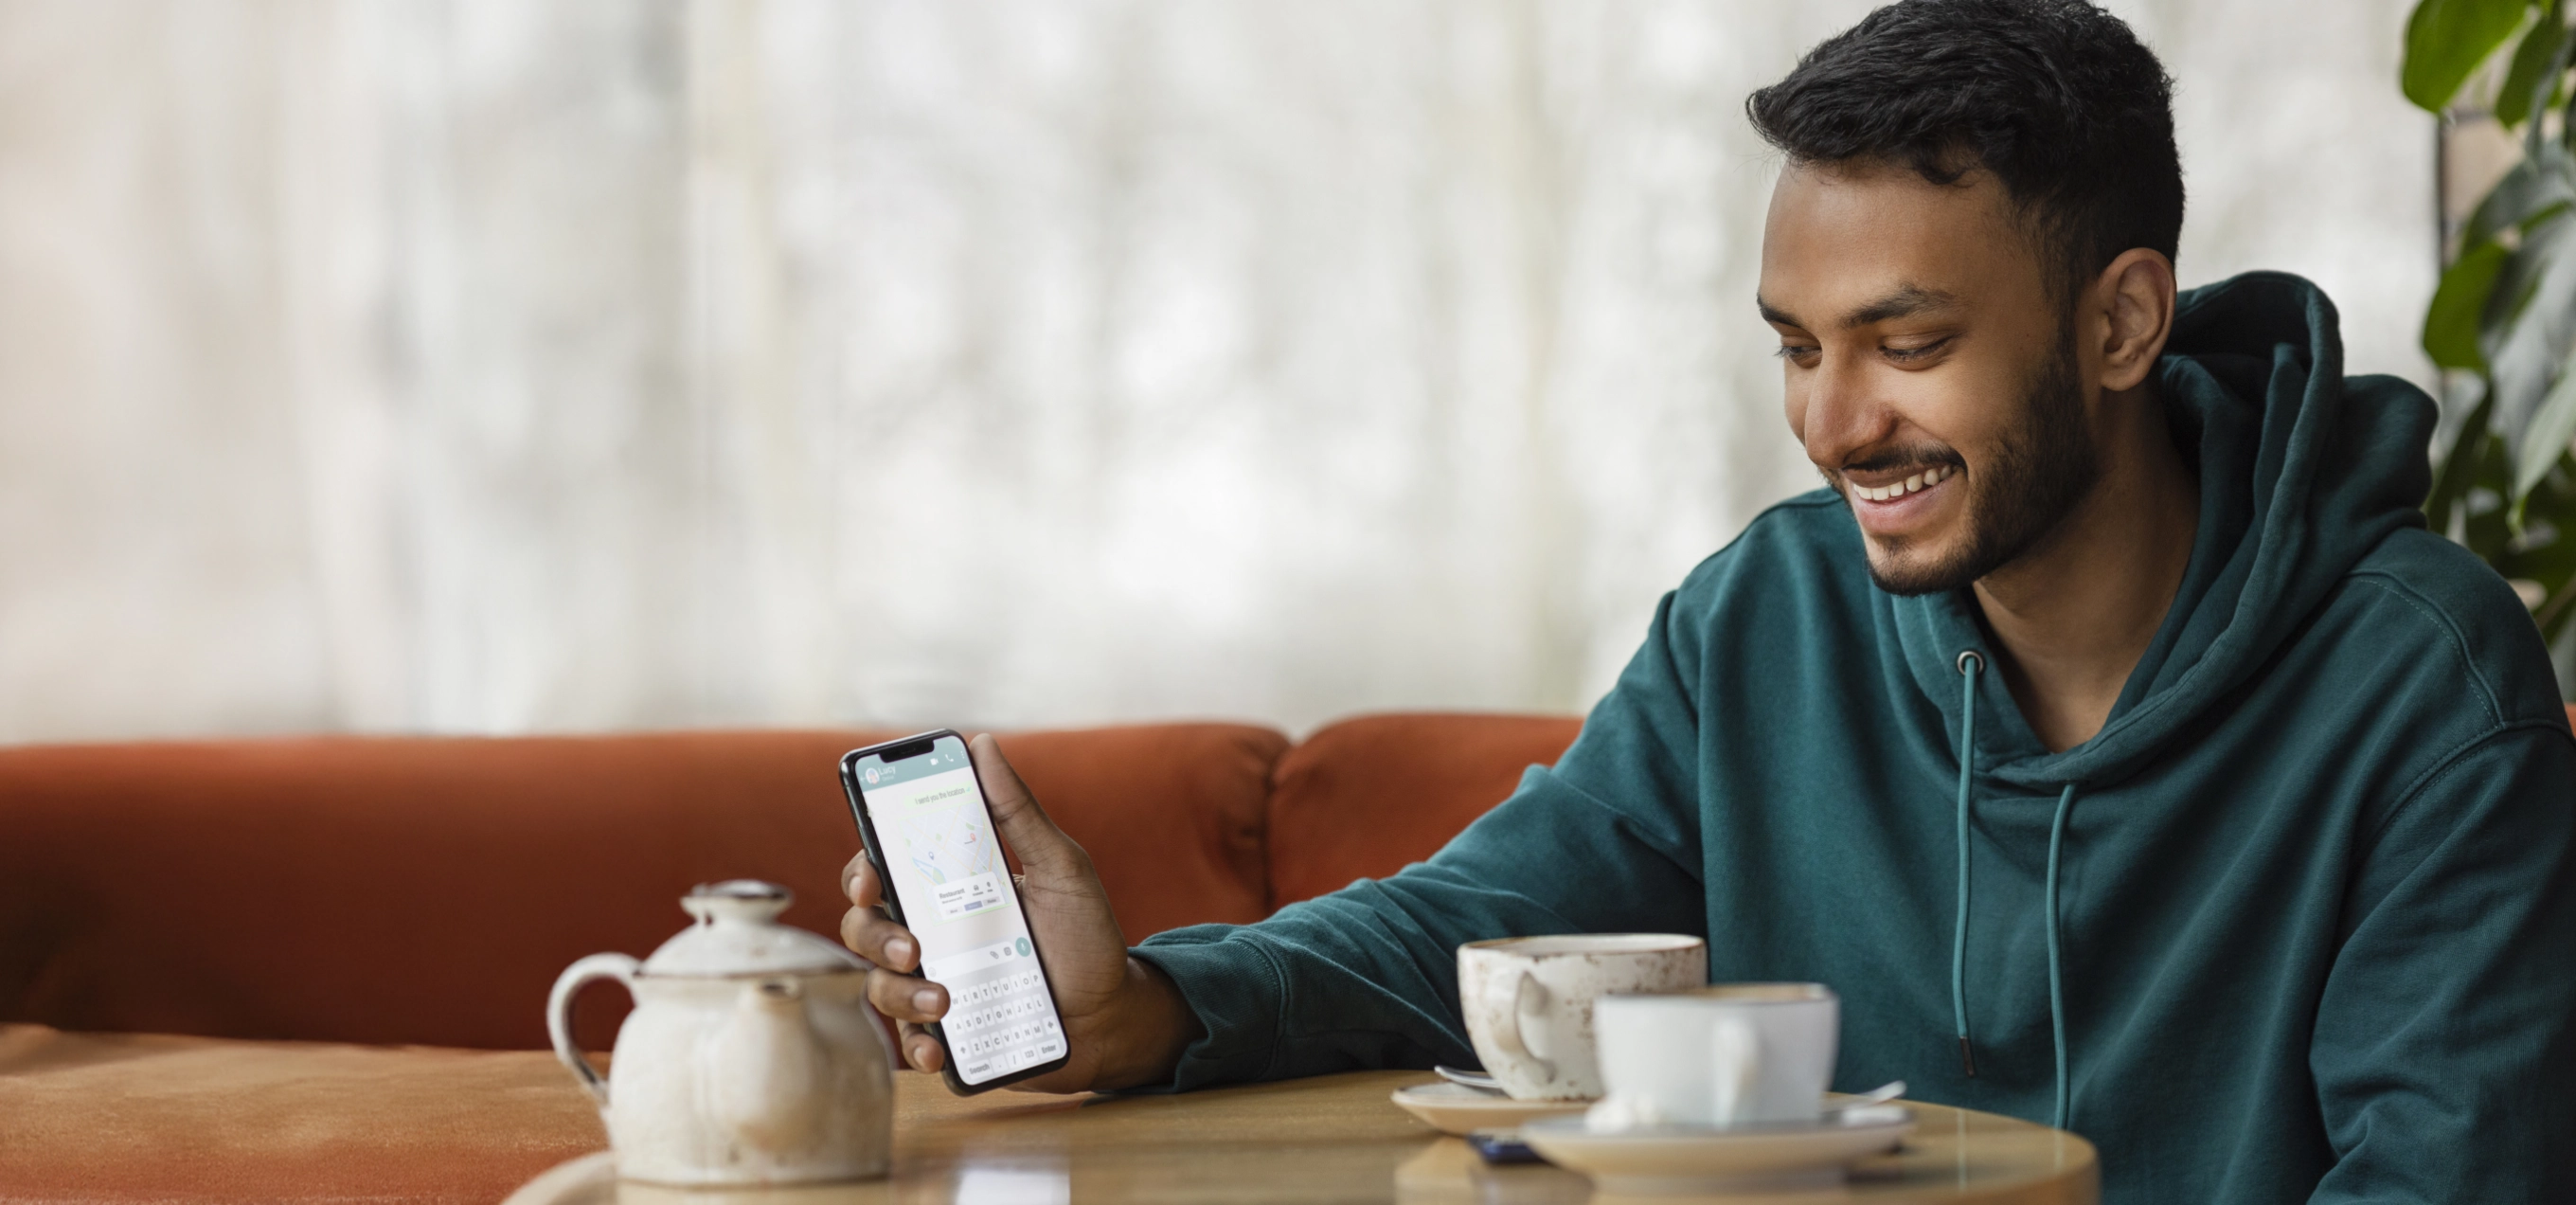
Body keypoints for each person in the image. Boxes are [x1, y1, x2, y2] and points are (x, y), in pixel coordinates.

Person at [840, 1, 2576, 1200]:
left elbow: (2449, 1178)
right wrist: (1144, 1004)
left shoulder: (2423, 692)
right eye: (1799, 351)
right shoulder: (1769, 617)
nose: (1834, 424)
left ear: (2121, 325)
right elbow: (1478, 929)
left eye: (1910, 344)